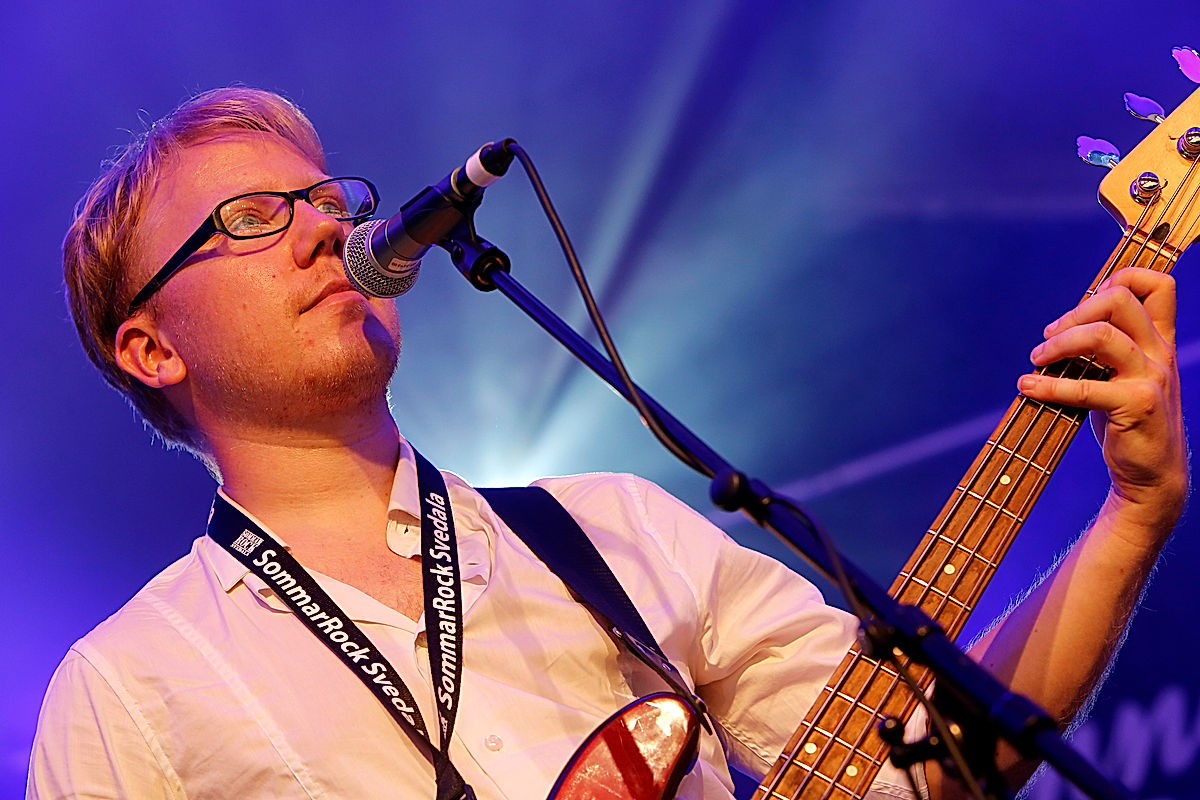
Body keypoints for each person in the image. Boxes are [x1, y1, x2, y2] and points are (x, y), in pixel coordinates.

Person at [27, 87, 1186, 800]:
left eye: (328, 199)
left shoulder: (611, 528)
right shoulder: (129, 686)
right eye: (250, 218)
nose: (325, 230)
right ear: (152, 346)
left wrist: (1132, 517)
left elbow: (927, 762)